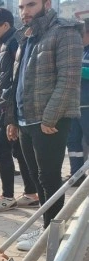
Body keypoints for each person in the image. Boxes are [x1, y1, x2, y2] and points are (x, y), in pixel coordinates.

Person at [5, 0, 83, 251]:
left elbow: (68, 79)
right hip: (26, 119)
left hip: (48, 121)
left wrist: (51, 117)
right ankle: (47, 228)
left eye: (30, 5)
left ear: (47, 4)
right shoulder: (27, 35)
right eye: (20, 7)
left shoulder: (65, 31)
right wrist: (13, 119)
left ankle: (51, 235)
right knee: (38, 179)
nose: (24, 11)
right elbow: (18, 82)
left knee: (49, 179)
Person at [0, 7, 40, 213]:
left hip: (11, 106)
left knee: (1, 149)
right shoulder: (7, 43)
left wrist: (10, 115)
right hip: (10, 105)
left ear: (5, 25)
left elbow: (16, 80)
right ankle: (31, 193)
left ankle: (7, 197)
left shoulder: (14, 43)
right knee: (18, 150)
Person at [65, 19, 89, 186]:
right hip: (72, 106)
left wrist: (75, 69)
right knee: (73, 142)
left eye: (81, 33)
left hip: (87, 106)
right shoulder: (77, 52)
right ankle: (76, 174)